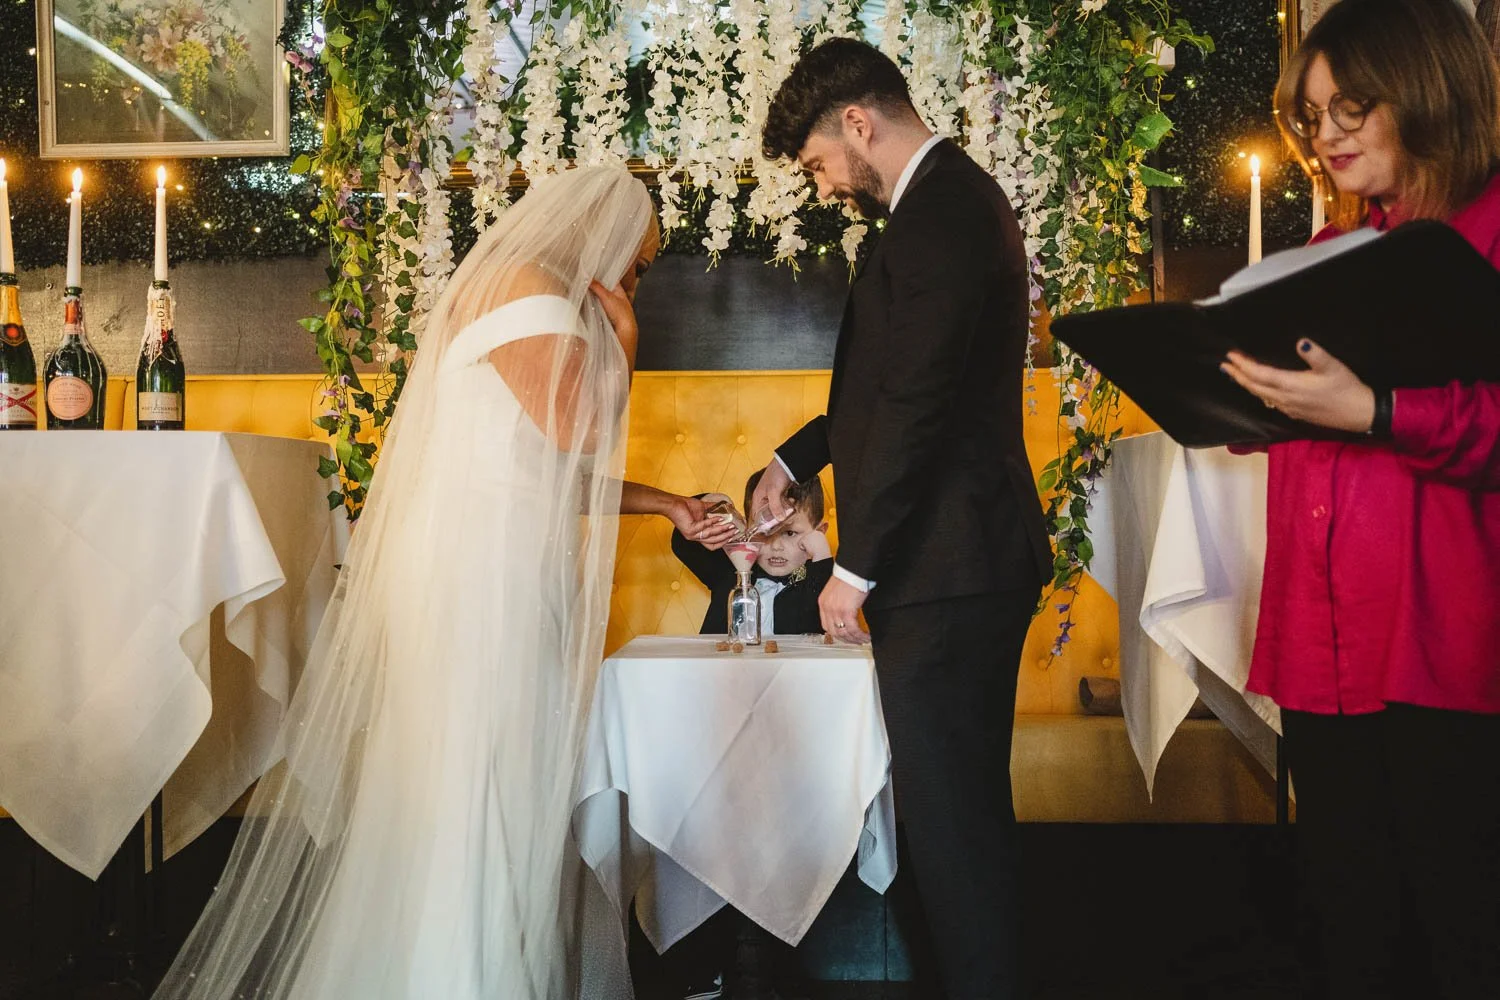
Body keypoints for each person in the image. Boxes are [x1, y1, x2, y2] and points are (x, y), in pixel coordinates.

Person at [148, 166, 711, 1000]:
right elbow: (580, 431)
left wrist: (665, 504)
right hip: (490, 591)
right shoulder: (538, 295)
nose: (634, 279)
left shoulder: (514, 290)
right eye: (640, 261)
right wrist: (625, 338)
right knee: (488, 783)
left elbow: (539, 468)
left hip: (487, 575)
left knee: (480, 781)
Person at [750, 37, 1051, 1000]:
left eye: (817, 164)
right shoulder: (935, 207)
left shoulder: (943, 211)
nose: (826, 185)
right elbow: (893, 385)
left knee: (956, 835)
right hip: (952, 564)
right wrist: (798, 457)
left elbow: (919, 401)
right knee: (948, 827)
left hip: (951, 568)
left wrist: (855, 568)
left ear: (856, 123)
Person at [1220, 2, 1500, 996]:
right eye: (1313, 116)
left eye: (1352, 107)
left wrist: (1378, 410)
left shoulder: (1491, 231)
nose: (1327, 134)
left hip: (1444, 647)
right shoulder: (1334, 244)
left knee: (1460, 932)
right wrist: (1234, 396)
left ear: (1431, 92)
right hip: (1323, 640)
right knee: (1350, 928)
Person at [672, 472, 834, 638]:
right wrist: (709, 503)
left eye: (790, 533)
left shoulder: (816, 580)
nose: (776, 546)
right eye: (764, 533)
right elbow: (683, 544)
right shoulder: (731, 568)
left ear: (818, 533)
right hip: (721, 664)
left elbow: (827, 618)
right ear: (747, 527)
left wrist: (822, 556)